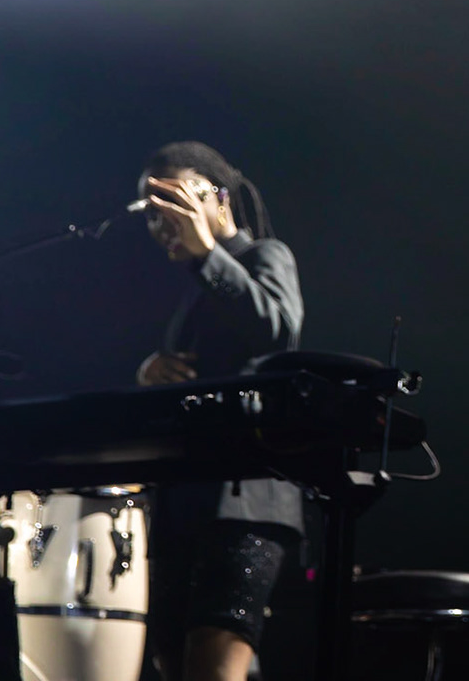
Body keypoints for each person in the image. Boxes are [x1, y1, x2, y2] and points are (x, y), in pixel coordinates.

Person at [135, 141, 304, 681]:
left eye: (174, 203)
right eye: (151, 213)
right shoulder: (194, 290)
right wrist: (151, 373)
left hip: (241, 502)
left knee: (214, 655)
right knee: (172, 656)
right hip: (185, 498)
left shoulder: (265, 256)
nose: (162, 223)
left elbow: (276, 329)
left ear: (218, 198)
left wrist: (208, 252)